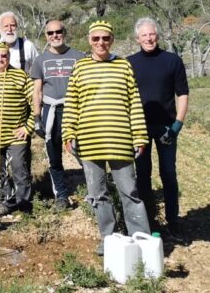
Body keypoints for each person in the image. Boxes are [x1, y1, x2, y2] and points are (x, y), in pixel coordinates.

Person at [63, 21, 151, 255]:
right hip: (90, 141)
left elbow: (134, 103)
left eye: (105, 38)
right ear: (89, 40)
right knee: (97, 194)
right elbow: (72, 102)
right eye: (96, 39)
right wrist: (69, 132)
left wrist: (140, 135)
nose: (101, 43)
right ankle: (109, 238)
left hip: (120, 141)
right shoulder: (80, 68)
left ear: (111, 40)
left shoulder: (123, 66)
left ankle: (140, 239)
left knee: (129, 192)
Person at [128, 17, 189, 240]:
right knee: (142, 176)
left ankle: (173, 222)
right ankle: (150, 222)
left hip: (166, 128)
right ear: (137, 38)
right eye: (144, 35)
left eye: (152, 34)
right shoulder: (129, 63)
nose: (149, 38)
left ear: (158, 36)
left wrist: (177, 126)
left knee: (169, 174)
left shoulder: (172, 61)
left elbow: (182, 94)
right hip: (139, 129)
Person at [30, 20, 85, 211]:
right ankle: (61, 196)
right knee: (54, 156)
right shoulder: (40, 60)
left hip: (74, 110)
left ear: (64, 32)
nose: (55, 36)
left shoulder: (79, 56)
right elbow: (37, 91)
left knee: (83, 152)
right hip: (51, 111)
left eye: (58, 32)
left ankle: (93, 192)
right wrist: (37, 118)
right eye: (50, 33)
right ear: (46, 36)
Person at [0, 42, 35, 215]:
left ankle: (24, 203)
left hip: (15, 135)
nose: (0, 59)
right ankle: (5, 202)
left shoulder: (20, 76)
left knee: (19, 167)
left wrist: (28, 126)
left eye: (4, 56)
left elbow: (35, 103)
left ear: (9, 57)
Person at [0, 11, 38, 75]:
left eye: (13, 25)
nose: (9, 29)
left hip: (20, 84)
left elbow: (38, 71)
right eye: (6, 26)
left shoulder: (28, 46)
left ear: (17, 27)